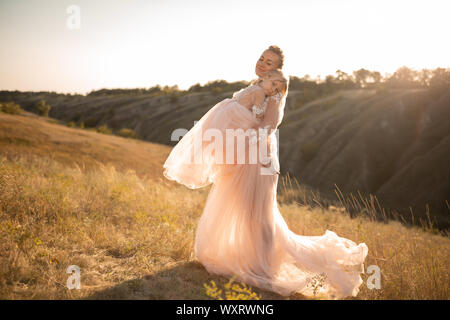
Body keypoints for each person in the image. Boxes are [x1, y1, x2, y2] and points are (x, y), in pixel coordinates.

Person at [163, 45, 368, 299]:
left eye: (269, 62)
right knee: (241, 209)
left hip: (258, 159)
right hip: (242, 158)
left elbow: (268, 126)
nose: (262, 63)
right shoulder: (258, 85)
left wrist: (240, 144)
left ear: (277, 70)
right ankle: (245, 256)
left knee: (260, 215)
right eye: (261, 58)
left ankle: (265, 267)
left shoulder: (275, 95)